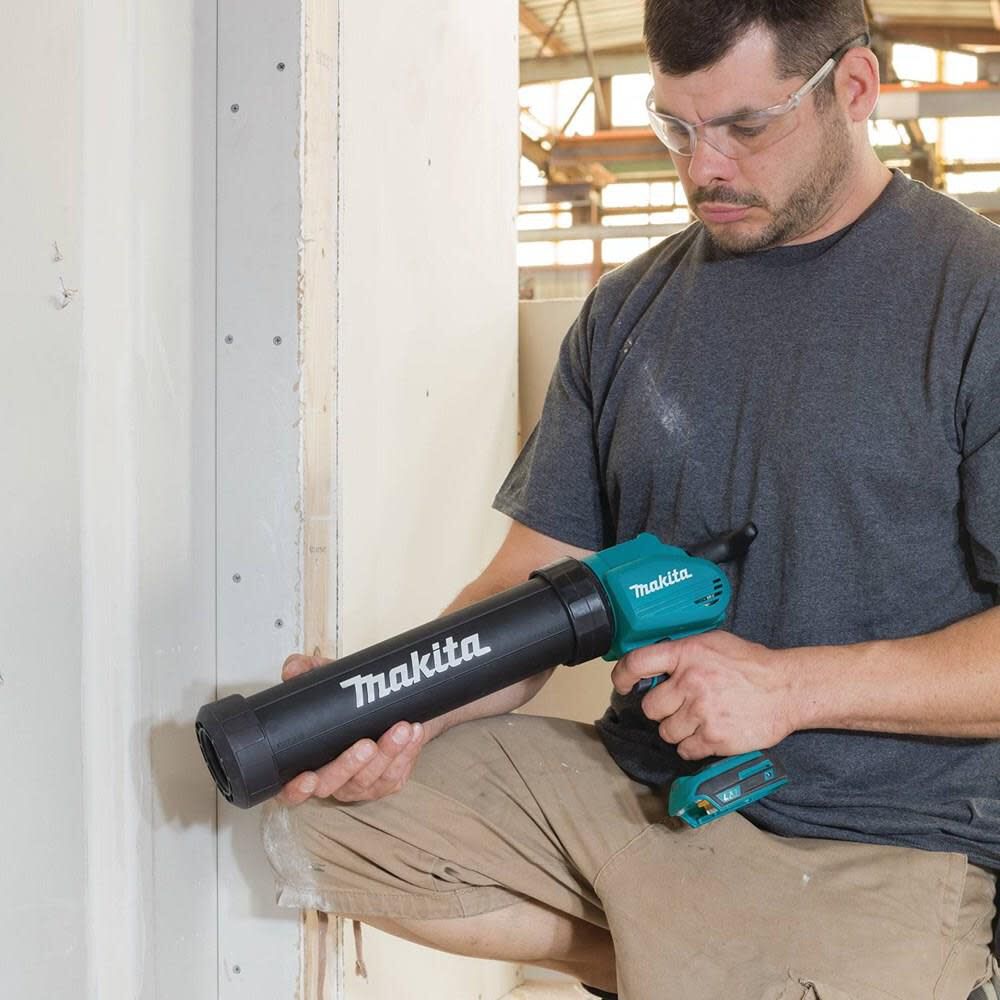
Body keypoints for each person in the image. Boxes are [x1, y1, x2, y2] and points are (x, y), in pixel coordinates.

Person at [262, 2, 1000, 996]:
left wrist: (789, 689)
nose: (702, 169)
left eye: (744, 126)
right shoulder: (628, 310)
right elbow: (527, 578)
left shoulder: (975, 296)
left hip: (874, 838)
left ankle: (722, 962)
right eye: (674, 128)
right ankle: (693, 960)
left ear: (854, 89)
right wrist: (396, 705)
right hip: (635, 797)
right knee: (327, 811)